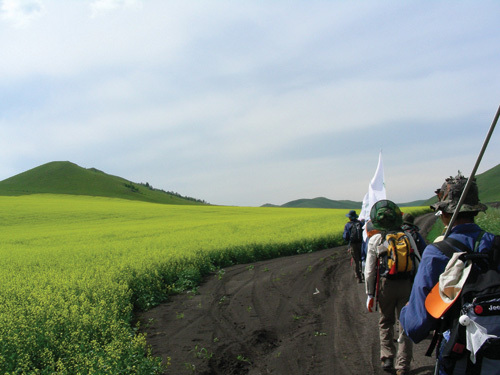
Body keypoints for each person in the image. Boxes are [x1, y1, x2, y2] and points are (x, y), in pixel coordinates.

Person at [399, 173, 496, 374]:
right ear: (475, 211)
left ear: (444, 213)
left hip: (457, 351)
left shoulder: (437, 252)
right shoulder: (496, 244)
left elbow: (417, 326)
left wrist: (406, 312)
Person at [364, 200, 416, 375]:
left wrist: (370, 294)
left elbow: (369, 270)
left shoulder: (375, 239)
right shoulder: (406, 236)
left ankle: (387, 358)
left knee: (386, 321)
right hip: (406, 285)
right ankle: (403, 366)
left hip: (385, 286)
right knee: (405, 324)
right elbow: (418, 261)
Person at [343, 210, 363, 283]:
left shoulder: (348, 225)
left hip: (353, 244)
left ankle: (358, 277)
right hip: (361, 244)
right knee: (362, 259)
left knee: (355, 260)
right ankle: (363, 273)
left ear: (350, 218)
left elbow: (346, 237)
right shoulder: (360, 223)